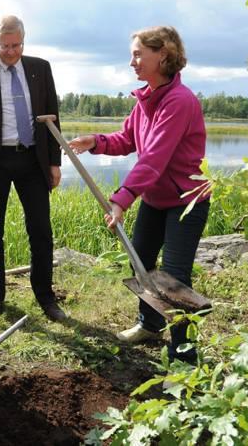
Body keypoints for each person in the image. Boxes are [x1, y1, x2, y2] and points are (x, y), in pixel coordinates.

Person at [69, 25, 210, 364]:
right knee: (141, 263)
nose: (132, 61)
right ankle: (149, 324)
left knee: (175, 279)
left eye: (137, 54)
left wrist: (121, 199)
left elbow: (154, 158)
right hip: (156, 200)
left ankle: (184, 357)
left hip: (186, 202)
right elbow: (128, 140)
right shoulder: (146, 97)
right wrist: (96, 141)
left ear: (162, 54)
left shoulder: (179, 101)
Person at [0, 15, 65, 322]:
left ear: (23, 40)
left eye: (16, 45)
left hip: (32, 159)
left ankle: (46, 296)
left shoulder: (40, 68)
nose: (10, 51)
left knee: (41, 230)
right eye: (4, 46)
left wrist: (54, 162)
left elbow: (53, 116)